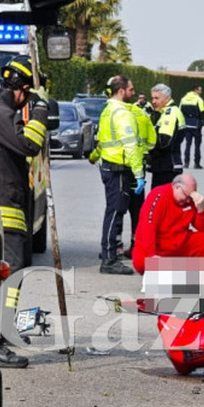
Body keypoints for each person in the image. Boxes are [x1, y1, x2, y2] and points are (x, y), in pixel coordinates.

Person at [0, 55, 47, 367]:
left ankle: (5, 331)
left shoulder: (3, 109)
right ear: (22, 91)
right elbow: (29, 145)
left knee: (14, 275)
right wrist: (40, 112)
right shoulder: (2, 112)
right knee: (10, 277)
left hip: (11, 207)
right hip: (6, 211)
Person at [89, 74, 142, 274]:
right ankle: (109, 259)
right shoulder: (122, 114)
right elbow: (130, 145)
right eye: (131, 89)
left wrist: (94, 156)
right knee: (115, 213)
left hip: (109, 167)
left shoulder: (107, 111)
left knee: (112, 211)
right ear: (121, 91)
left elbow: (102, 141)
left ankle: (109, 255)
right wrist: (139, 173)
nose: (133, 93)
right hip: (119, 169)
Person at [132, 173, 204, 275]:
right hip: (159, 246)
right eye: (186, 196)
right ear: (177, 187)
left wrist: (201, 209)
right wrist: (151, 255)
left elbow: (202, 228)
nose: (188, 200)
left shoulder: (190, 200)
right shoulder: (158, 195)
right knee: (141, 262)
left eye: (191, 196)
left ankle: (191, 272)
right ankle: (175, 268)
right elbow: (148, 228)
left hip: (179, 244)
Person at [125, 95, 157, 257]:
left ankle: (114, 244)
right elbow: (152, 141)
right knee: (137, 209)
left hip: (121, 166)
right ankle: (136, 244)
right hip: (140, 166)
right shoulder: (144, 115)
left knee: (116, 208)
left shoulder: (115, 114)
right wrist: (145, 151)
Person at [147, 83, 185, 188]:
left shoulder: (170, 113)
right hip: (166, 166)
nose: (153, 101)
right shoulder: (164, 112)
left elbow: (164, 141)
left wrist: (148, 147)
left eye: (157, 98)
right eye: (152, 98)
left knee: (160, 201)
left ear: (167, 98)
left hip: (166, 167)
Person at [179, 85, 204, 168]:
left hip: (187, 124)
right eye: (200, 90)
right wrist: (202, 122)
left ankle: (186, 163)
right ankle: (196, 163)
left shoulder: (183, 99)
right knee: (197, 145)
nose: (201, 92)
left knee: (187, 144)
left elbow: (180, 111)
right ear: (196, 90)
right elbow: (202, 112)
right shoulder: (198, 99)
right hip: (196, 125)